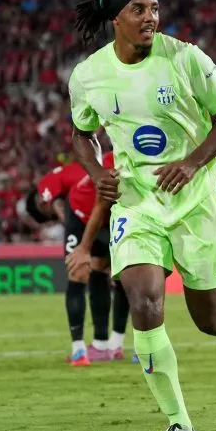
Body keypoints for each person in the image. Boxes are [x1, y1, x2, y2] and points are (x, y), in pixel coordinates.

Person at [68, 0, 216, 431]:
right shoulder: (88, 76)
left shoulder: (185, 58)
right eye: (139, 9)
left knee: (211, 319)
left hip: (193, 199)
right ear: (115, 17)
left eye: (154, 8)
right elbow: (81, 132)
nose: (151, 18)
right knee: (144, 305)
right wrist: (96, 171)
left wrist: (192, 162)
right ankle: (181, 426)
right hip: (137, 203)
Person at [28, 158, 115, 365]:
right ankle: (104, 345)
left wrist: (71, 228)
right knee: (100, 270)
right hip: (103, 210)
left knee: (78, 273)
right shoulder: (81, 170)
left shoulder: (46, 185)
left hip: (85, 213)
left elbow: (55, 203)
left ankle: (80, 349)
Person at [59, 151, 132, 362]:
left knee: (125, 274)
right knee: (79, 271)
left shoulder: (148, 159)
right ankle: (80, 349)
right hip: (82, 214)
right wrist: (84, 248)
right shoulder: (114, 164)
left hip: (115, 217)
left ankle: (114, 345)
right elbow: (100, 207)